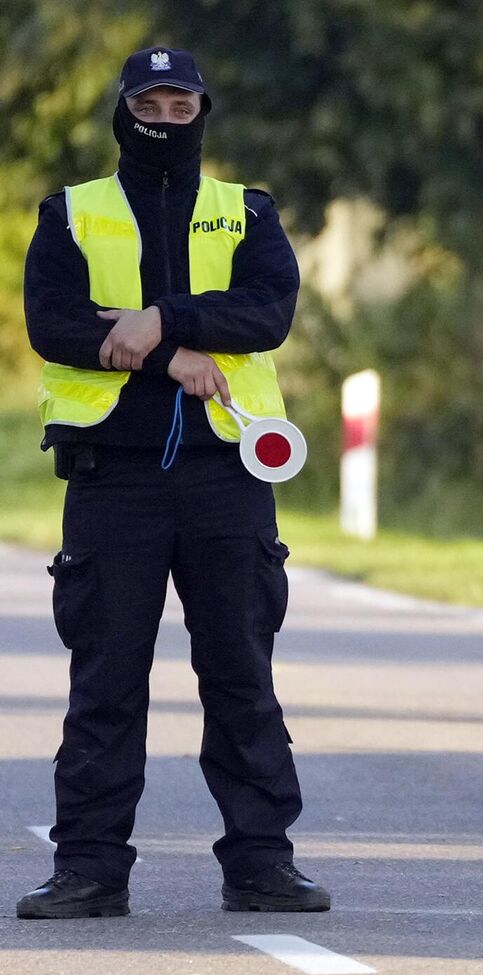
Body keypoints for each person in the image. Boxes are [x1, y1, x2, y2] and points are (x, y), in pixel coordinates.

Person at [15, 47, 328, 919]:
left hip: (227, 475)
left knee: (241, 674)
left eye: (180, 102)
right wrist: (178, 353)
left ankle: (263, 864)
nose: (164, 114)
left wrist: (160, 321)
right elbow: (55, 324)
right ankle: (89, 871)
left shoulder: (247, 213)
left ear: (202, 111)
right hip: (112, 477)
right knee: (106, 681)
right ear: (123, 110)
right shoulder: (70, 214)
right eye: (149, 100)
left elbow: (268, 314)